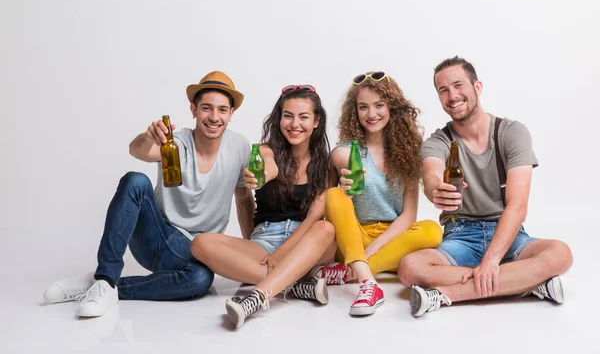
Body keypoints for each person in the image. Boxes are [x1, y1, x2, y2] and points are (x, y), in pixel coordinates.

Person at [43, 71, 255, 318]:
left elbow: (243, 200)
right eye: (206, 108)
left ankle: (105, 285)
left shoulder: (240, 146)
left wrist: (252, 254)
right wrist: (148, 136)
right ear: (193, 109)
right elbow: (137, 151)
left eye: (222, 110)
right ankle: (106, 274)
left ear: (231, 114)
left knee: (200, 279)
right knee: (135, 180)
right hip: (156, 235)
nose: (214, 117)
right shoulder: (174, 142)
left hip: (195, 251)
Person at [398, 56, 573, 317]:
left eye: (458, 85)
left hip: (507, 232)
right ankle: (525, 284)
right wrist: (435, 189)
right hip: (460, 235)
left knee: (560, 254)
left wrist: (491, 261)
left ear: (477, 87)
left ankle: (446, 295)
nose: (452, 95)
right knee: (410, 268)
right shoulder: (438, 141)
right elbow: (432, 174)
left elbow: (518, 205)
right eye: (443, 90)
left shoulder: (512, 132)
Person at [191, 84, 336, 329]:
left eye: (303, 117)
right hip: (266, 238)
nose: (294, 124)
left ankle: (256, 298)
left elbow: (314, 219)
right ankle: (296, 285)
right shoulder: (263, 151)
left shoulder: (326, 162)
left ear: (316, 121)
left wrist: (281, 254)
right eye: (287, 116)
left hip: (308, 241)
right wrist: (261, 176)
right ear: (279, 118)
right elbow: (268, 169)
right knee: (200, 243)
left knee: (327, 229)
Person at [318, 72, 443, 316]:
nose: (371, 114)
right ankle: (368, 283)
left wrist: (368, 255)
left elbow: (408, 216)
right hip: (355, 237)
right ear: (355, 112)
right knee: (334, 195)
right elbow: (346, 164)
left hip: (394, 237)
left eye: (378, 105)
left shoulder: (408, 154)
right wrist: (350, 176)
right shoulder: (345, 151)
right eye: (363, 107)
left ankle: (354, 271)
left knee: (432, 230)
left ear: (392, 108)